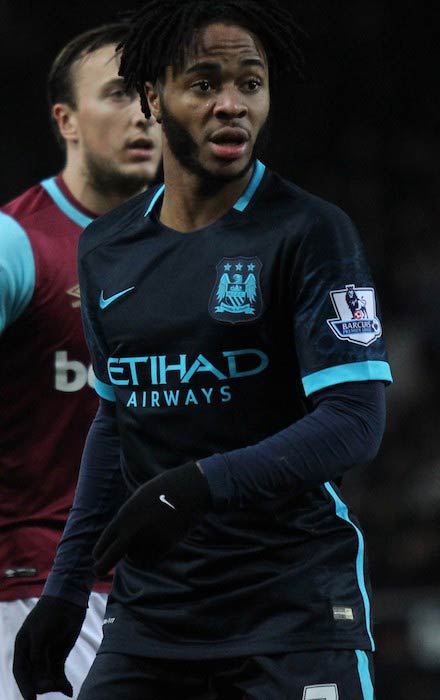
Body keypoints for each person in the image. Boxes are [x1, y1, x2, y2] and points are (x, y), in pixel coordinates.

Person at [13, 1, 392, 698]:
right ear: (154, 99)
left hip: (292, 616)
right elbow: (117, 421)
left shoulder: (310, 231)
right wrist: (66, 590)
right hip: (151, 624)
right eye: (204, 83)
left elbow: (354, 421)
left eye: (250, 83)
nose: (232, 105)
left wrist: (197, 485)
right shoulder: (106, 248)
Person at [0, 22, 161, 700]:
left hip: (180, 593)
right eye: (120, 94)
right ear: (65, 119)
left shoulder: (209, 248)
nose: (144, 116)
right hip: (35, 592)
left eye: (154, 95)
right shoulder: (17, 242)